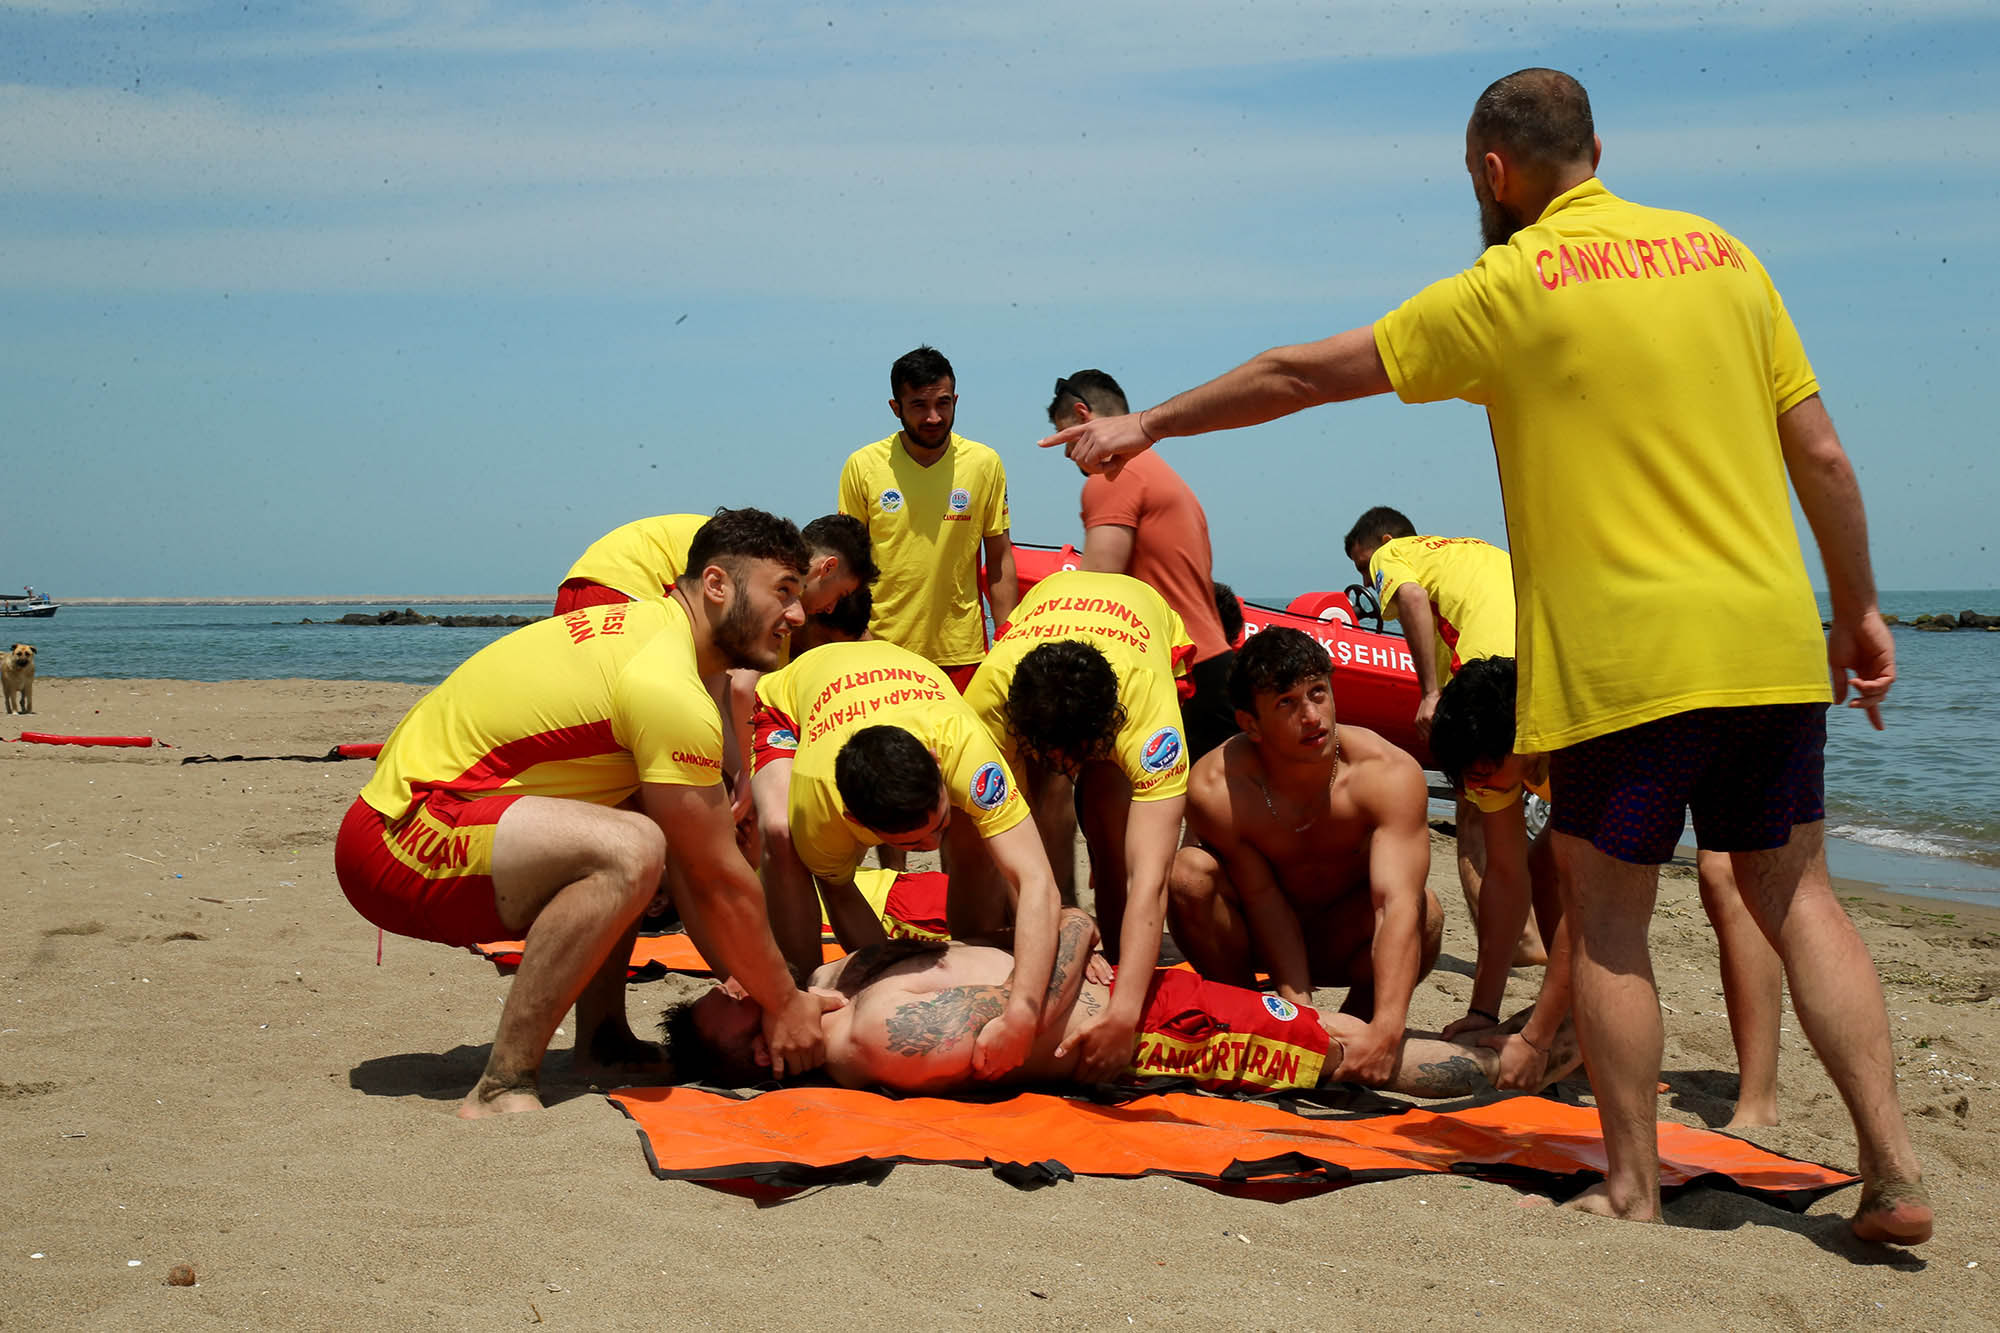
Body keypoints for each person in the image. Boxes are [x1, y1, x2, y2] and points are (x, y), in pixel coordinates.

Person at [1041, 68, 1927, 1240]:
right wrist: (1857, 608)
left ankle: (1631, 1185)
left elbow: (1306, 373)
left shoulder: (1511, 283)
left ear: (1491, 175)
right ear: (1597, 149)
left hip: (1626, 662)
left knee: (1608, 921)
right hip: (1767, 640)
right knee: (1797, 894)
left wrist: (1142, 423)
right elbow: (1822, 460)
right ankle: (1893, 1167)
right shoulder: (1725, 255)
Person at [333, 508, 848, 1118]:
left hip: (436, 811)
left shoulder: (651, 628)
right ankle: (502, 1086)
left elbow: (699, 870)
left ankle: (601, 1042)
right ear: (716, 585)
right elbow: (712, 876)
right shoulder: (668, 684)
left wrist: (758, 982)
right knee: (632, 848)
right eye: (783, 593)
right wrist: (784, 1002)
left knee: (646, 825)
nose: (797, 614)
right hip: (399, 839)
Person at [665, 909, 1577, 1098]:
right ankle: (1514, 1071)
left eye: (737, 1007)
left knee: (1329, 1030)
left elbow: (1055, 936)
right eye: (738, 1020)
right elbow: (1034, 999)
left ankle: (1530, 1048)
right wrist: (1072, 942)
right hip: (1149, 1032)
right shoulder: (874, 1034)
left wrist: (1070, 942)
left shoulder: (850, 977)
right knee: (1337, 1057)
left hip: (1141, 996)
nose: (757, 1051)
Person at [1430, 657, 1784, 1127]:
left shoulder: (1580, 750)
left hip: (1710, 712)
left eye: (1485, 770)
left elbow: (1587, 907)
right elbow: (1507, 878)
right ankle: (1590, 1018)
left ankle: (1758, 1098)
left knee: (1723, 877)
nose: (1476, 780)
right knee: (1541, 862)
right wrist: (1483, 1010)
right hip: (1632, 744)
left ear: (1527, 741)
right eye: (1466, 775)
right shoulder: (1488, 759)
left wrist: (1536, 1039)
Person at [747, 638, 1062, 1077]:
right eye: (912, 846)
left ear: (937, 766)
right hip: (793, 704)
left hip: (907, 683)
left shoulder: (965, 748)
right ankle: (803, 998)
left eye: (938, 826)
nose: (932, 849)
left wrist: (1024, 1008)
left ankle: (976, 942)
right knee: (782, 840)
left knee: (976, 837)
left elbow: (1035, 881)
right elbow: (840, 893)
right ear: (853, 818)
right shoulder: (818, 801)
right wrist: (880, 985)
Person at [1167, 627, 1441, 1087]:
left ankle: (1362, 1028)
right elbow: (1262, 899)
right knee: (1188, 874)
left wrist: (1389, 1032)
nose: (1312, 716)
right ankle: (1252, 1014)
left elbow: (1394, 904)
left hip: (1347, 940)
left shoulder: (1387, 773)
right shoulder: (1217, 786)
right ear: (1250, 724)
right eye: (1286, 703)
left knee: (1426, 911)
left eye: (1318, 693)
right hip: (1258, 941)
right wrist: (1300, 1013)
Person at [958, 569, 1195, 1079]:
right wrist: (1062, 933)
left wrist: (1125, 1013)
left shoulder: (1147, 713)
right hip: (1042, 617)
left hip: (1138, 614)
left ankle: (1107, 950)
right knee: (979, 835)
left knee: (1111, 828)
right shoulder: (987, 701)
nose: (1066, 763)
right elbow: (1007, 850)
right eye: (1054, 755)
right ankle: (999, 943)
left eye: (1078, 754)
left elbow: (1150, 880)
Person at [1343, 504, 1544, 970]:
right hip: (1539, 666)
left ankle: (1518, 941)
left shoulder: (1392, 554)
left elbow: (1409, 597)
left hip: (1483, 676)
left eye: (1361, 565)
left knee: (1475, 819)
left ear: (1386, 539)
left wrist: (1431, 693)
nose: (1369, 580)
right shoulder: (1476, 551)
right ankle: (1535, 931)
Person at [1049, 370, 1236, 759]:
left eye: (1064, 437)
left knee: (1108, 811)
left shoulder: (1114, 476)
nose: (1067, 454)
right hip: (1213, 663)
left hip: (1179, 674)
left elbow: (1095, 592)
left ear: (1084, 416)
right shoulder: (1163, 475)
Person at [838, 346, 1017, 694]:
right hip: (881, 650)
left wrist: (1008, 640)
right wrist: (859, 636)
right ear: (896, 408)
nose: (933, 417)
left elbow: (999, 558)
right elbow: (848, 568)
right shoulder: (863, 465)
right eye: (919, 405)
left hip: (962, 652)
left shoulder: (984, 463)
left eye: (943, 403)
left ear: (956, 401)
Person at [555, 512, 875, 617]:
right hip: (626, 587)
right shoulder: (776, 572)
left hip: (589, 575)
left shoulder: (766, 549)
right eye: (841, 595)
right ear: (827, 568)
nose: (833, 609)